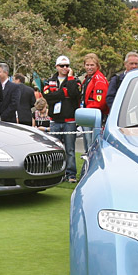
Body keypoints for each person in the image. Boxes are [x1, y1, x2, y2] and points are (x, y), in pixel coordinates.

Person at [44, 54, 83, 182]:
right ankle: (54, 173)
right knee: (54, 149)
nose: (65, 68)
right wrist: (63, 93)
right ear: (57, 67)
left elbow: (74, 94)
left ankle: (71, 174)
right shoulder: (48, 81)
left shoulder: (75, 80)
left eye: (67, 66)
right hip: (55, 121)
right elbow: (48, 97)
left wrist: (70, 79)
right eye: (62, 66)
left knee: (70, 149)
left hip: (70, 120)